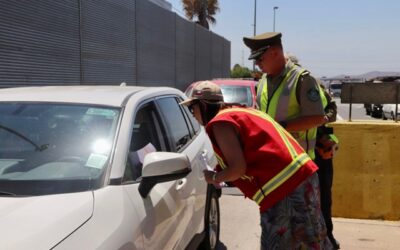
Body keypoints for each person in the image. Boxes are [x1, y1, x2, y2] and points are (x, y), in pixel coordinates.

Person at [180, 81, 333, 250]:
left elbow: (238, 169)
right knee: (311, 240)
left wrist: (214, 177)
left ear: (203, 105)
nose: (192, 114)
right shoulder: (240, 112)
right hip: (301, 177)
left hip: (285, 188)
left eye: (192, 108)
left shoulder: (219, 122)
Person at [286, 53, 341, 249]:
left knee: (323, 195)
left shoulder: (311, 83)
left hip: (319, 147)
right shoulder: (281, 88)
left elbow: (332, 110)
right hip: (295, 151)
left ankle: (328, 238)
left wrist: (319, 121)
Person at [243, 32, 326, 160]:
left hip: (298, 161)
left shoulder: (302, 79)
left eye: (260, 59)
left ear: (275, 53)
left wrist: (279, 127)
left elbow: (317, 118)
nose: (257, 64)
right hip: (271, 157)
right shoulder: (263, 81)